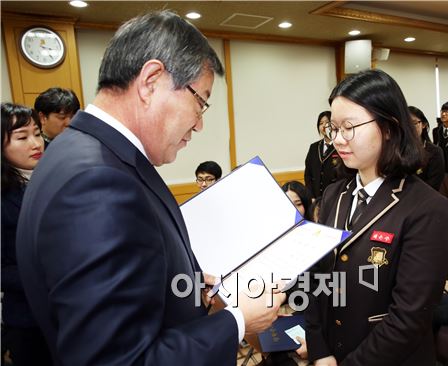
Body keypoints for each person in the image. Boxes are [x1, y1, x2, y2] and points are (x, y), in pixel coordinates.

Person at [16, 11, 285, 365]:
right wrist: (237, 321)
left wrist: (180, 283)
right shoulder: (98, 183)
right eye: (200, 102)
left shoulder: (77, 151)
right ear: (151, 80)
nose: (200, 124)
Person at [305, 69, 448, 365]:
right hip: (332, 352)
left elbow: (409, 317)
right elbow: (316, 278)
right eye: (333, 128)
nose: (337, 139)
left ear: (389, 127)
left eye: (349, 127)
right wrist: (320, 351)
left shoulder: (427, 207)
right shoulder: (334, 194)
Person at [1, 103, 51, 365]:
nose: (36, 144)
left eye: (37, 133)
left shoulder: (50, 175)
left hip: (66, 310)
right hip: (27, 319)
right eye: (22, 137)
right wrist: (47, 274)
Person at [304, 111, 342, 198]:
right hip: (316, 197)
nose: (324, 126)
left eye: (327, 122)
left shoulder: (340, 145)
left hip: (335, 196)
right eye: (321, 123)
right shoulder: (314, 147)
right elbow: (308, 174)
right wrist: (311, 197)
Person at [409, 106, 445, 191]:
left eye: (414, 123)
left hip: (425, 199)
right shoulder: (397, 150)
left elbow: (433, 185)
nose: (409, 127)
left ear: (424, 125)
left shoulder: (435, 152)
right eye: (406, 124)